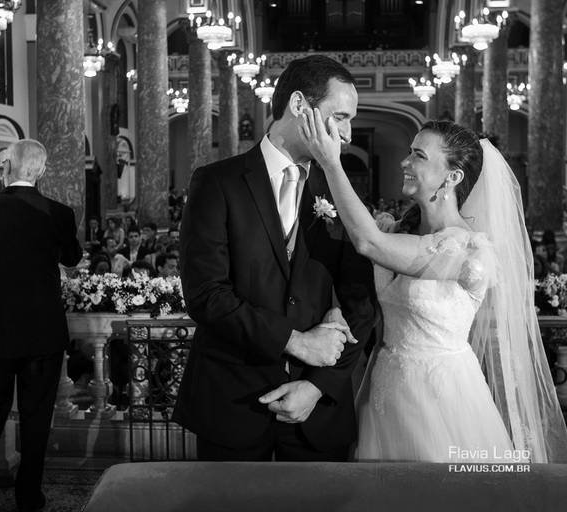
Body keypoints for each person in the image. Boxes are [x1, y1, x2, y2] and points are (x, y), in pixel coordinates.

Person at [303, 114, 567, 462]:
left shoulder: (469, 251)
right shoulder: (397, 231)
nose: (405, 162)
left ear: (453, 176)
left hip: (441, 396)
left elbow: (368, 243)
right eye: (409, 152)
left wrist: (331, 163)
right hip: (384, 389)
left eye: (418, 155)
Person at [173, 55, 378, 462]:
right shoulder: (217, 183)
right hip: (233, 399)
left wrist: (317, 386)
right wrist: (295, 341)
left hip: (316, 412)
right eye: (340, 117)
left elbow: (362, 305)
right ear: (299, 105)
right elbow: (206, 294)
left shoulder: (341, 194)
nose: (347, 134)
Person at [0, 139, 82, 511]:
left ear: (5, 169)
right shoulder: (60, 212)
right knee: (37, 421)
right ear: (41, 170)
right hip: (43, 335)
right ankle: (29, 497)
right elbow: (72, 258)